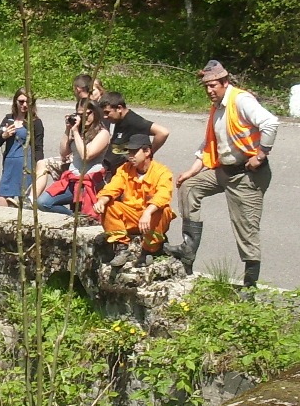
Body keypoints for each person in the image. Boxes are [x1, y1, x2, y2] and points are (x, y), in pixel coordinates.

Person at [174, 60, 279, 288]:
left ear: (225, 82)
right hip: (224, 170)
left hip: (247, 175)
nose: (209, 90)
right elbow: (209, 143)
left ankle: (249, 286)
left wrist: (261, 155)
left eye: (213, 85)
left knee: (246, 229)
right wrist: (191, 171)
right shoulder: (218, 106)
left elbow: (270, 123)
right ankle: (187, 252)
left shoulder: (240, 100)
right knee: (189, 187)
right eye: (206, 86)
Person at [93, 133, 175, 267]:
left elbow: (163, 195)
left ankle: (149, 250)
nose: (130, 156)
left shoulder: (162, 172)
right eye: (129, 152)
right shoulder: (124, 169)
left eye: (134, 152)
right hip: (131, 217)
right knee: (109, 205)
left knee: (164, 210)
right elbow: (112, 187)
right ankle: (121, 248)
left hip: (150, 218)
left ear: (147, 151)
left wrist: (147, 212)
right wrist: (101, 201)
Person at [36, 98, 111, 216]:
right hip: (72, 179)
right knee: (43, 202)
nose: (84, 117)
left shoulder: (103, 133)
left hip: (90, 181)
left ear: (95, 113)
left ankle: (81, 218)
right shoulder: (78, 131)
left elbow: (86, 156)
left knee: (87, 212)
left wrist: (75, 132)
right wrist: (68, 130)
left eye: (87, 114)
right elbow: (64, 152)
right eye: (80, 115)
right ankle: (74, 217)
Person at [0, 89, 45, 207]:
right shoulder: (8, 119)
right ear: (15, 101)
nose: (24, 105)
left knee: (24, 205)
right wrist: (4, 135)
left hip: (26, 166)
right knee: (0, 203)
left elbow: (38, 148)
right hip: (9, 166)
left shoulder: (35, 122)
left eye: (28, 102)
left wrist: (38, 169)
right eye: (21, 101)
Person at [101, 92, 170, 176]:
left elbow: (163, 132)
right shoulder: (118, 119)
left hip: (126, 175)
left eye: (107, 112)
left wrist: (149, 153)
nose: (105, 116)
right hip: (112, 171)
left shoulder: (134, 121)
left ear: (119, 108)